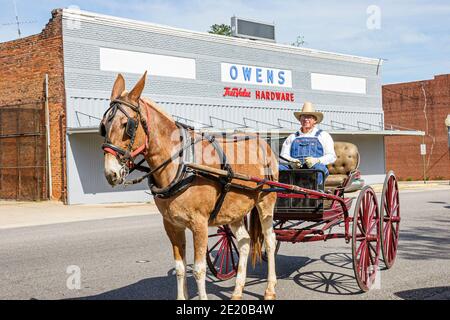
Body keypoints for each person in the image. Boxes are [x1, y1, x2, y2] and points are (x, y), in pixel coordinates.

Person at [279, 102, 336, 186]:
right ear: (300, 119)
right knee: (277, 168)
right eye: (303, 117)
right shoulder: (292, 137)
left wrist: (317, 160)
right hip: (295, 170)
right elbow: (283, 156)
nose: (306, 119)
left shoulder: (323, 135)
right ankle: (280, 195)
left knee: (318, 169)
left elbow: (331, 156)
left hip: (316, 169)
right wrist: (291, 161)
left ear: (315, 120)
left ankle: (317, 195)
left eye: (309, 117)